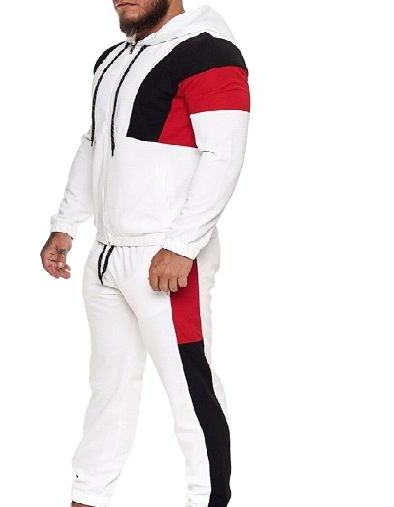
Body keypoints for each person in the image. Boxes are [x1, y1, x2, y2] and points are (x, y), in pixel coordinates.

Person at [40, 1, 250, 506]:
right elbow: (94, 144)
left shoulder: (209, 52)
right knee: (108, 388)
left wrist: (182, 246)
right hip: (107, 255)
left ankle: (208, 499)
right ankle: (88, 495)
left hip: (166, 258)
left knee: (189, 390)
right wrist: (66, 224)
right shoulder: (112, 58)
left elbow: (224, 154)